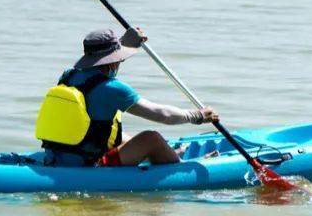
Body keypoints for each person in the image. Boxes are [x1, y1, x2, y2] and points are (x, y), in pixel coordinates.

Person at [36, 27, 218, 167]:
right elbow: (161, 114)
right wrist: (198, 116)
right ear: (113, 61)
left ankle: (167, 154)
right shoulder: (112, 88)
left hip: (58, 156)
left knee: (119, 134)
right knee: (151, 138)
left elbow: (103, 58)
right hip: (91, 165)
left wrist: (127, 42)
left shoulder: (69, 75)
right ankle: (179, 167)